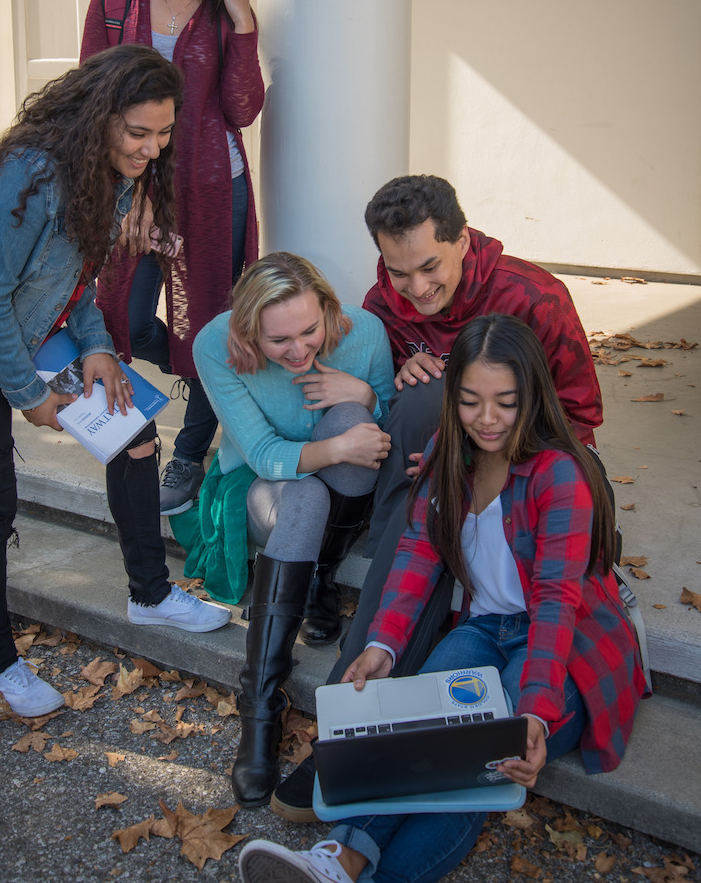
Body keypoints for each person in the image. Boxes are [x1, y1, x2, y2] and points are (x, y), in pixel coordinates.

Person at [240, 314, 648, 883]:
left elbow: (556, 601)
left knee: (474, 758)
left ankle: (364, 871)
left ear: (532, 394)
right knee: (416, 731)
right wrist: (383, 642)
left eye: (505, 402)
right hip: (485, 628)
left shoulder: (560, 474)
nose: (487, 419)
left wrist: (535, 710)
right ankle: (340, 858)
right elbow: (418, 551)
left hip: (567, 643)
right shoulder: (449, 452)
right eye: (471, 401)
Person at [0, 44, 230, 720]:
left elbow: (75, 282)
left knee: (136, 435)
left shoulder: (107, 173)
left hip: (29, 332)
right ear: (98, 116)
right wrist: (30, 396)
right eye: (138, 132)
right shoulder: (28, 173)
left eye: (163, 133)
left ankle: (149, 595)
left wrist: (97, 348)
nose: (150, 149)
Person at [272, 172, 606, 818]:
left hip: (531, 470)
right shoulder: (384, 303)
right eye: (400, 274)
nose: (417, 289)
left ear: (461, 239)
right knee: (420, 413)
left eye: (429, 266)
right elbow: (394, 419)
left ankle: (369, 696)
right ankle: (363, 698)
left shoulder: (533, 296)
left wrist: (493, 457)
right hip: (436, 480)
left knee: (431, 419)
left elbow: (582, 418)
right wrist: (399, 385)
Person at [80, 0, 264, 517]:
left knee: (214, 329)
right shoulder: (112, 2)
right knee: (122, 322)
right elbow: (91, 103)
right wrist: (125, 195)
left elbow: (243, 108)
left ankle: (188, 455)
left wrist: (243, 22)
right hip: (134, 194)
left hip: (216, 193)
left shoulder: (224, 12)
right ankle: (193, 377)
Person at [186, 252, 395, 807]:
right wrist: (334, 449)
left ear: (328, 309)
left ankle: (320, 577)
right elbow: (259, 451)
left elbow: (385, 429)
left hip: (345, 486)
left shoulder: (364, 331)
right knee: (305, 494)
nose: (299, 351)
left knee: (354, 420)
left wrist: (367, 397)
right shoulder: (214, 345)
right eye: (278, 342)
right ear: (248, 330)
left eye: (310, 330)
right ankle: (260, 705)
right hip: (263, 485)